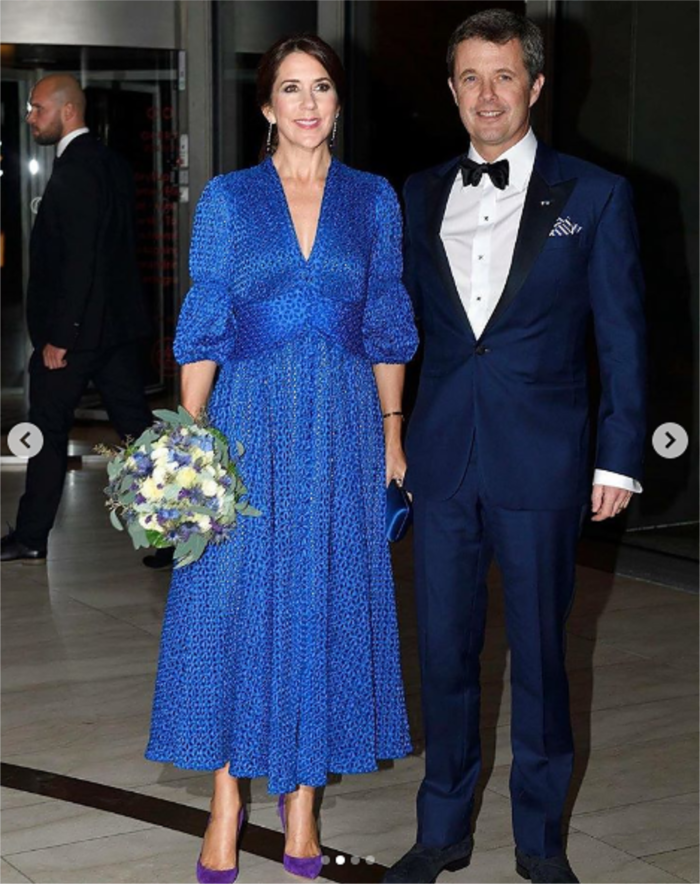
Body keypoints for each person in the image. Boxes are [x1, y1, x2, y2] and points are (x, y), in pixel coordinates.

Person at [145, 35, 417, 883]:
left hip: (340, 429)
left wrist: (393, 436)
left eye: (322, 87)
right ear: (266, 106)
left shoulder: (374, 200)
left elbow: (386, 322)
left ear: (338, 103)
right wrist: (188, 439)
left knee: (318, 603)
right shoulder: (230, 199)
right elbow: (207, 318)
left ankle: (302, 806)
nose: (307, 103)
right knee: (232, 609)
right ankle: (228, 799)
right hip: (248, 426)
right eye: (290, 89)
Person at [385, 10, 646, 884]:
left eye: (503, 76)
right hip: (443, 459)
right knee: (446, 655)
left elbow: (622, 336)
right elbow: (398, 331)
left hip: (544, 463)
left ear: (534, 86)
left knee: (540, 658)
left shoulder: (596, 195)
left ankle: (540, 846)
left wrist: (619, 456)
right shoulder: (418, 193)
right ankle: (441, 833)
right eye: (469, 77)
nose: (486, 95)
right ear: (452, 89)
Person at [0, 75, 153, 565]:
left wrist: (60, 336)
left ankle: (30, 536)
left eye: (37, 108)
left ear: (68, 111)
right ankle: (175, 534)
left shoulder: (76, 168)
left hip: (77, 333)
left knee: (46, 428)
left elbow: (80, 259)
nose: (29, 117)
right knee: (138, 432)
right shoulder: (112, 164)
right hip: (116, 330)